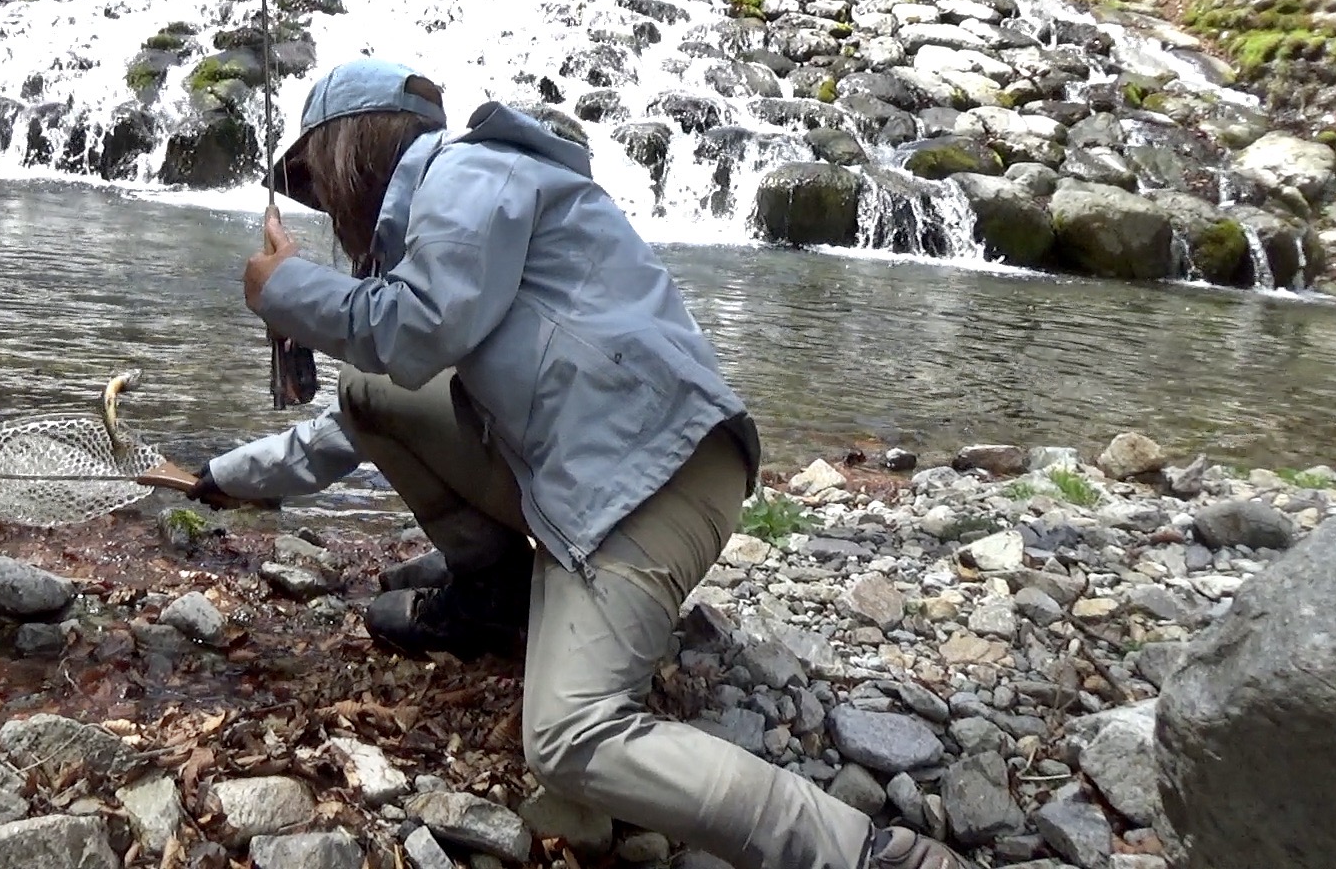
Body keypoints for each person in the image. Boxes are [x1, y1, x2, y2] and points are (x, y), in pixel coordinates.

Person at [183, 58, 972, 869]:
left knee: (568, 736)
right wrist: (225, 475)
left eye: (317, 178)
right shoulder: (447, 224)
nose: (324, 204)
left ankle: (868, 852)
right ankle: (495, 597)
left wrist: (282, 288)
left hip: (650, 484)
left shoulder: (468, 171)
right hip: (595, 479)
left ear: (352, 153)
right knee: (368, 388)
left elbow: (415, 328)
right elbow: (360, 414)